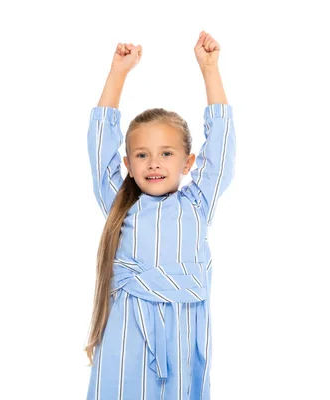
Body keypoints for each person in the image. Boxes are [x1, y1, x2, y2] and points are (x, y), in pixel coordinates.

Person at [84, 30, 236, 400]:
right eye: (142, 155)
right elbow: (99, 145)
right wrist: (118, 74)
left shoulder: (196, 204)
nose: (154, 163)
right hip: (127, 333)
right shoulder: (121, 203)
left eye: (166, 153)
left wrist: (210, 71)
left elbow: (222, 148)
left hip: (182, 332)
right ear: (128, 165)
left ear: (188, 162)